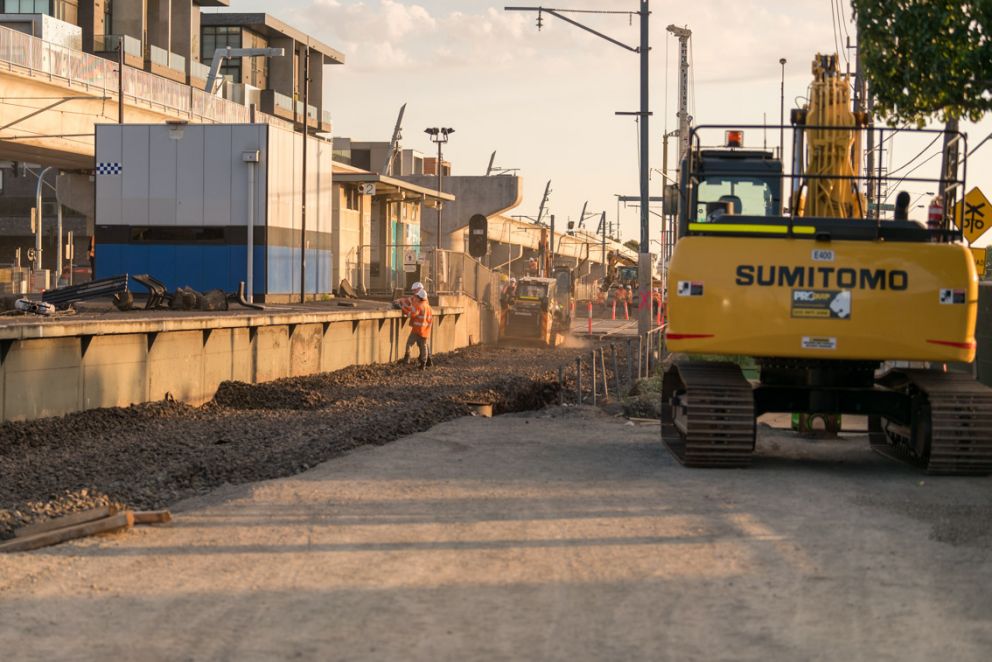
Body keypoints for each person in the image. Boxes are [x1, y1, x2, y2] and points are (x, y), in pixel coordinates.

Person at [402, 288, 433, 369]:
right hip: (425, 331)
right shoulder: (428, 307)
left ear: (419, 297)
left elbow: (412, 314)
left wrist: (403, 309)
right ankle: (423, 364)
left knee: (409, 343)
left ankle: (407, 358)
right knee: (424, 346)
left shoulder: (418, 305)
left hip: (417, 330)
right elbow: (430, 320)